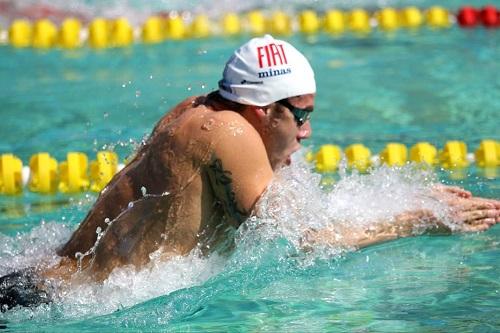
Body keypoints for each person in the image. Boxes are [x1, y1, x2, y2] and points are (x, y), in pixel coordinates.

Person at [1, 35, 499, 311]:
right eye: (301, 115)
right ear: (262, 110)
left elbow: (289, 212)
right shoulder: (232, 135)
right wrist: (416, 220)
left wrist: (399, 198)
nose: (306, 133)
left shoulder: (198, 110)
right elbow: (304, 240)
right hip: (51, 305)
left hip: (46, 281)